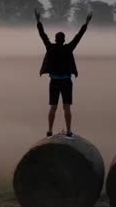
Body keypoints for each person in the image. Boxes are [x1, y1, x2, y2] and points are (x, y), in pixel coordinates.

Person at [36, 9, 91, 137]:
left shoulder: (51, 47)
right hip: (66, 81)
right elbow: (79, 36)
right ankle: (69, 131)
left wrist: (38, 21)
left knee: (53, 107)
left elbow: (42, 35)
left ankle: (49, 130)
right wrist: (86, 23)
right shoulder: (68, 48)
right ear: (64, 39)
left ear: (55, 39)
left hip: (54, 81)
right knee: (67, 107)